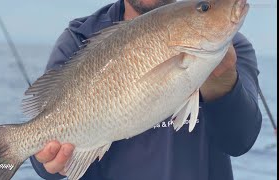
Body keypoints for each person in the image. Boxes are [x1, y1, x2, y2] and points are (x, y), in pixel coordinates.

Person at [30, 0, 262, 179]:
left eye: (204, 8)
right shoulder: (78, 38)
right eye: (205, 7)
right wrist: (47, 161)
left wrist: (223, 81)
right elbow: (40, 159)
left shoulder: (232, 48)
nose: (209, 8)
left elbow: (239, 141)